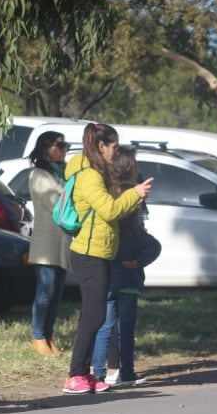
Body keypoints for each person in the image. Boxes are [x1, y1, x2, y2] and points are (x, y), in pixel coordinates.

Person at [62, 123, 153, 394]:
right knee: (93, 316)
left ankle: (87, 374)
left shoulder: (95, 172)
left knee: (96, 315)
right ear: (101, 147)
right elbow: (109, 211)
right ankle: (75, 375)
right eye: (113, 147)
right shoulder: (90, 176)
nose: (116, 152)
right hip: (89, 254)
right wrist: (133, 195)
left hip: (99, 252)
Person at [91, 146, 161, 387]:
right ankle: (127, 372)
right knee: (126, 328)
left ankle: (97, 375)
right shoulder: (131, 211)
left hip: (107, 275)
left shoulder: (103, 195)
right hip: (128, 278)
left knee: (104, 327)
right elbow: (151, 245)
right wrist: (138, 262)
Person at [27, 131, 72, 356]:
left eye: (66, 145)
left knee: (56, 292)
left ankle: (48, 335)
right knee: (46, 290)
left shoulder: (61, 174)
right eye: (60, 145)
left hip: (62, 242)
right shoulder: (39, 174)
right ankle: (38, 337)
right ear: (46, 148)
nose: (65, 150)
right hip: (46, 242)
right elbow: (57, 203)